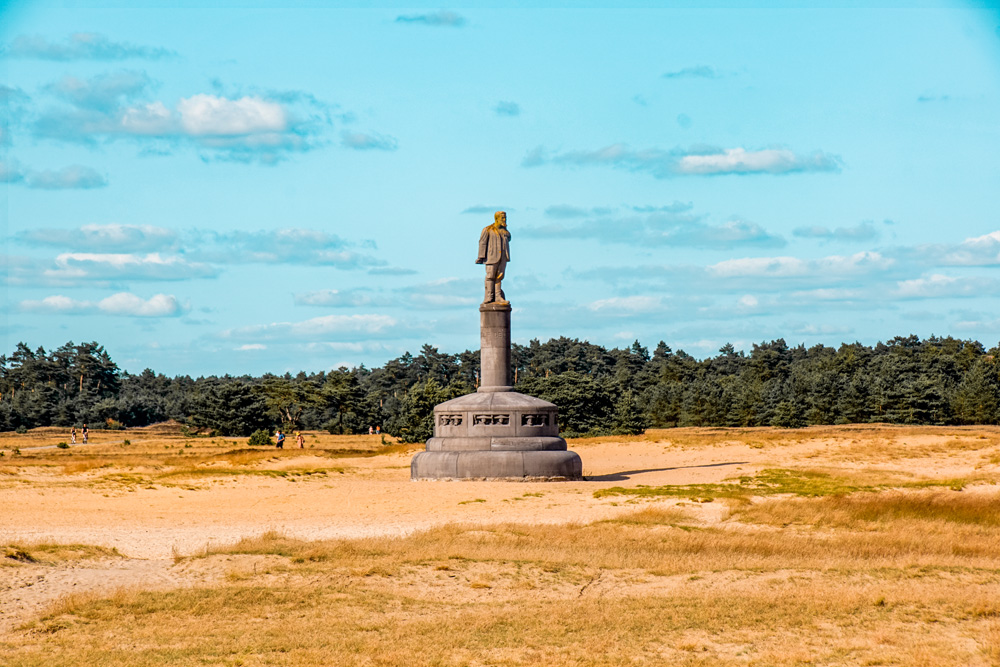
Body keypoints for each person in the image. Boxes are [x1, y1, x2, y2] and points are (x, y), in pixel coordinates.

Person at [476, 210, 511, 304]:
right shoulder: (488, 229)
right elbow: (482, 243)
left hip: (503, 257)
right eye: (502, 218)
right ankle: (489, 297)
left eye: (505, 218)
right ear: (496, 219)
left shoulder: (505, 231)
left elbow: (509, 238)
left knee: (499, 276)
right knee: (490, 276)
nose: (504, 220)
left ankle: (498, 296)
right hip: (491, 257)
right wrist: (481, 256)